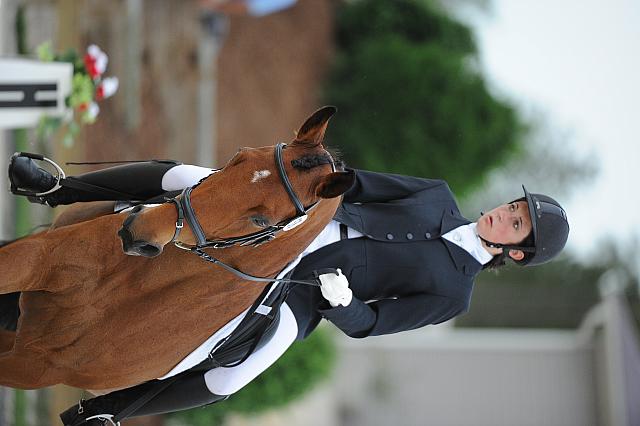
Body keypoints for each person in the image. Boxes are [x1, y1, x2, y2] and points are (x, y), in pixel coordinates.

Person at [6, 153, 569, 424]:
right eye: (514, 206)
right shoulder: (439, 193)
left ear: (516, 253)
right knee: (187, 179)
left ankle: (108, 412)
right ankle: (60, 188)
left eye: (516, 224)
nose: (505, 214)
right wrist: (330, 180)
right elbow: (366, 186)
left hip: (305, 294)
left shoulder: (455, 293)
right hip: (299, 223)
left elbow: (374, 324)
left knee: (233, 373)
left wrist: (343, 304)